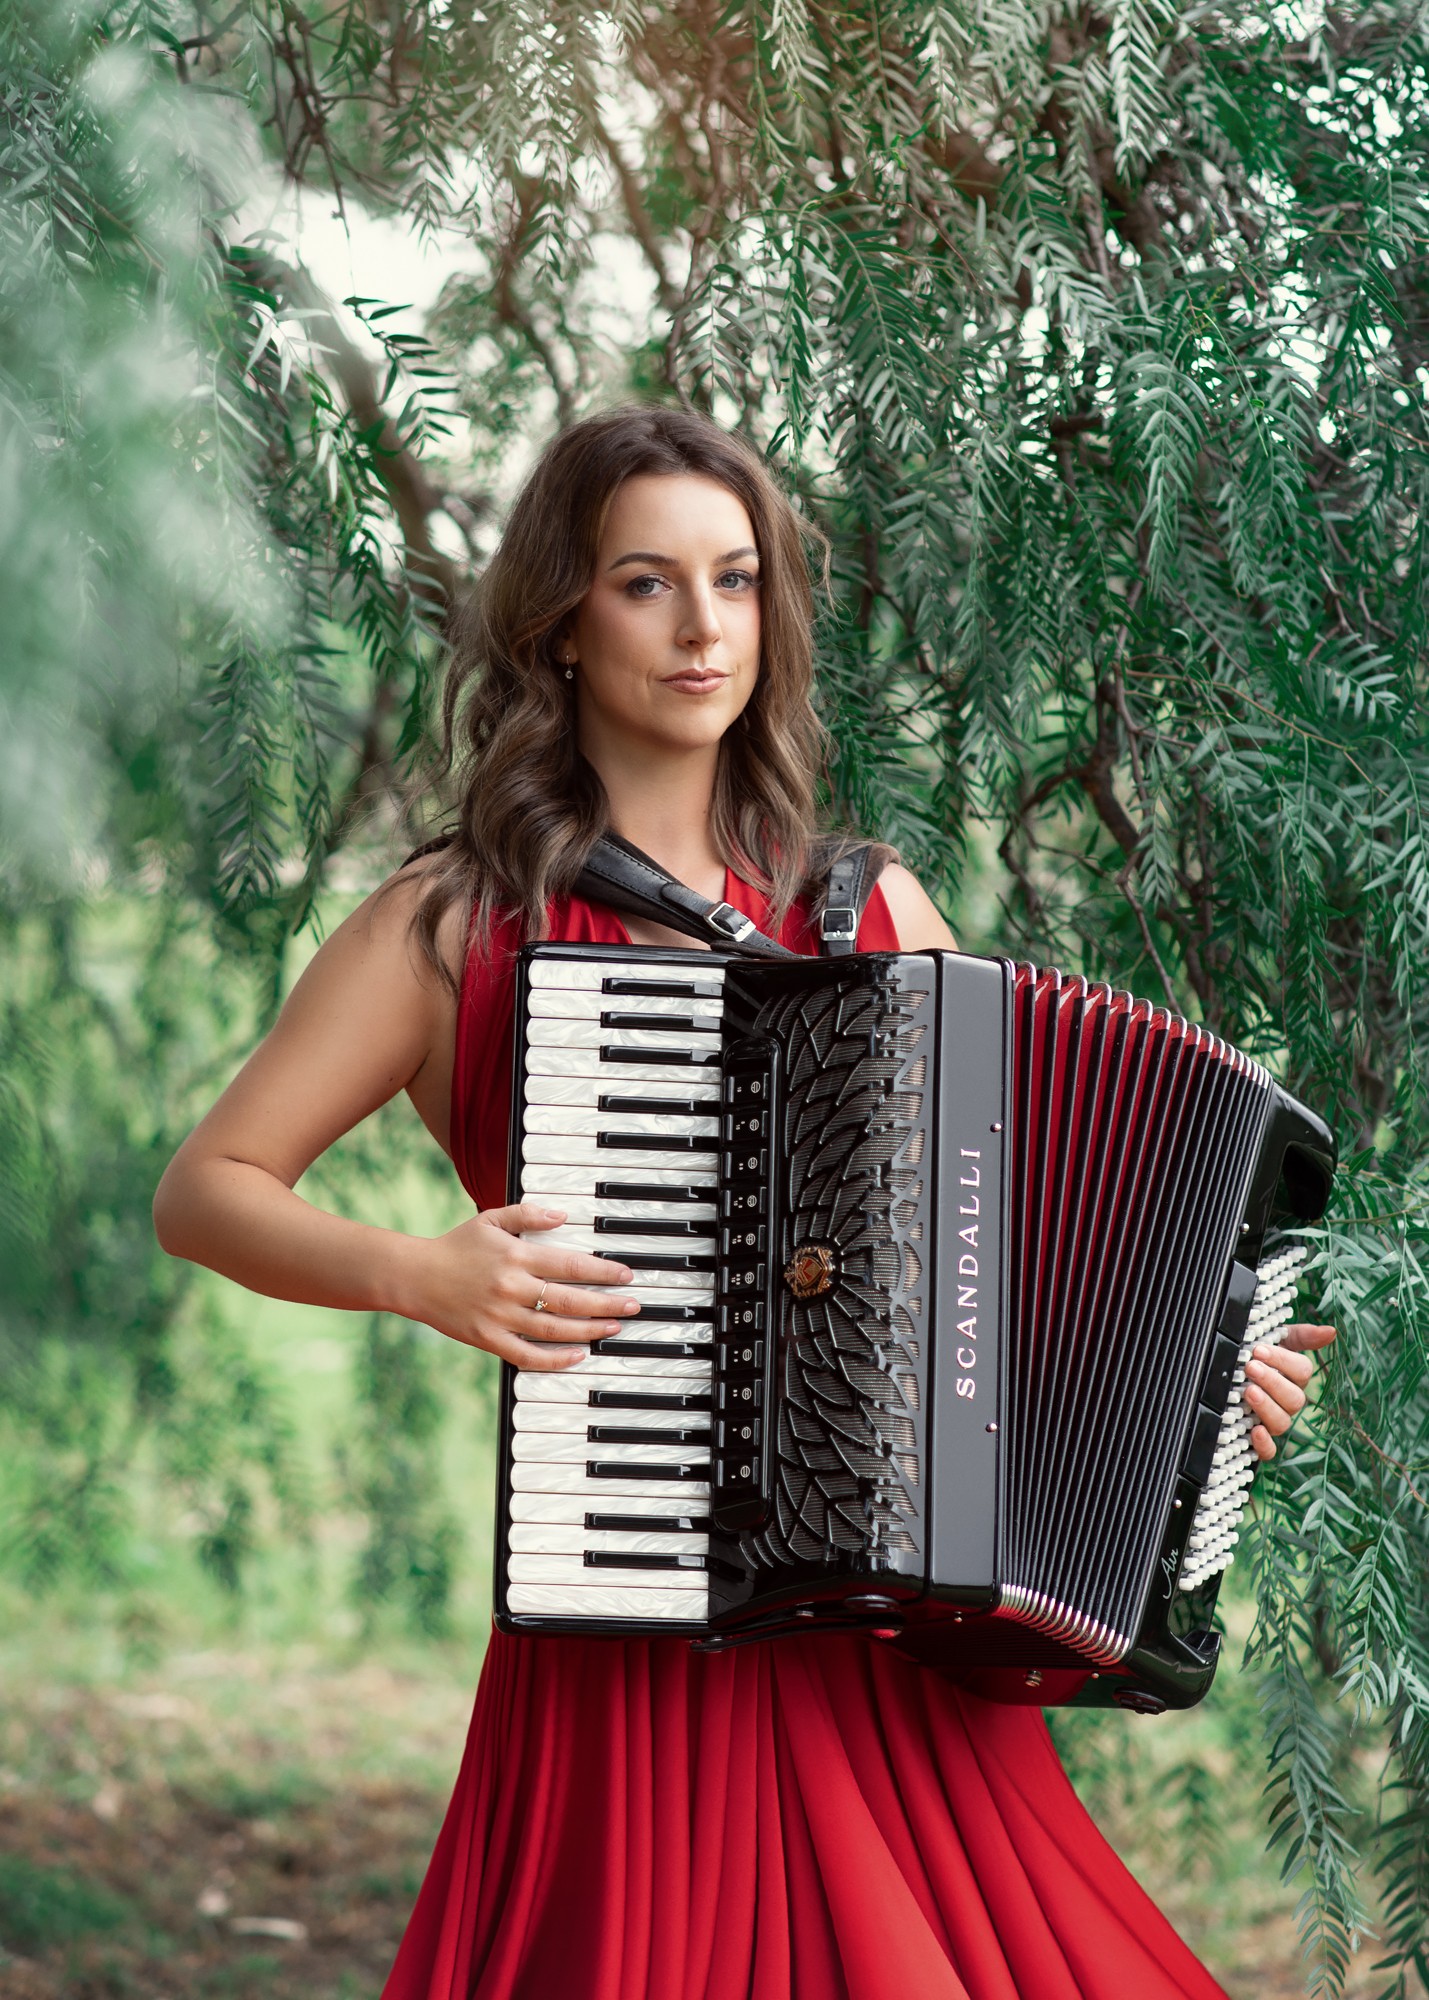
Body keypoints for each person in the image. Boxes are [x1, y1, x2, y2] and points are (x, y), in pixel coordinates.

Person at [153, 405, 1336, 2000]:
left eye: (736, 581)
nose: (702, 627)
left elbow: (1008, 1271)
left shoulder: (869, 907)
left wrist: (1200, 1388)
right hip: (627, 1612)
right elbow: (208, 1190)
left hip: (872, 1626)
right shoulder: (451, 923)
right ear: (562, 618)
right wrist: (415, 1274)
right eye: (646, 583)